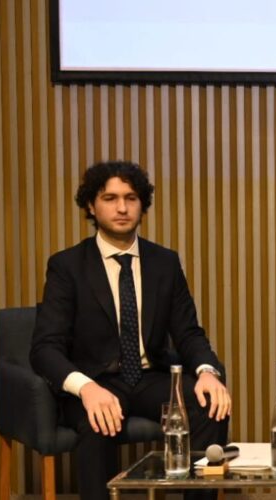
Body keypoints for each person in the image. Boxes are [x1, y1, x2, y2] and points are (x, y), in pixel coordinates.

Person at [30, 161, 231, 500]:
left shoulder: (164, 262)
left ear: (142, 205)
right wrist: (85, 388)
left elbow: (188, 333)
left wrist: (208, 372)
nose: (122, 208)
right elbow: (45, 348)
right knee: (97, 421)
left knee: (208, 404)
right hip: (95, 381)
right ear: (91, 206)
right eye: (110, 198)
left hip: (151, 377)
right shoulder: (67, 266)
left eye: (131, 198)